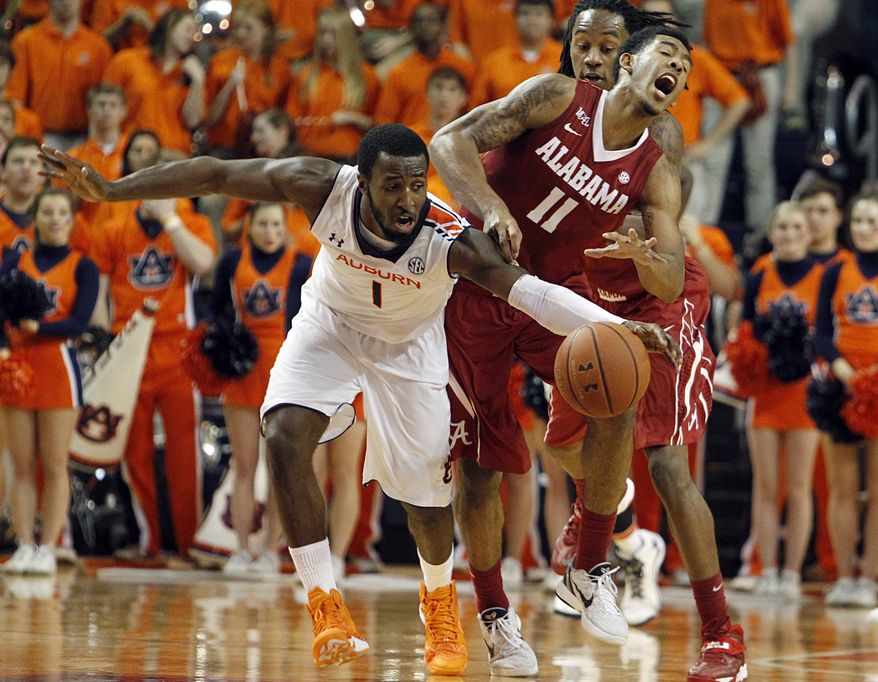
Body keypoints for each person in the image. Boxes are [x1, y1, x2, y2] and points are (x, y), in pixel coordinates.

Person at [41, 122, 677, 674]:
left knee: (426, 502)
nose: (408, 199)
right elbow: (215, 172)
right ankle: (325, 605)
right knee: (282, 436)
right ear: (362, 182)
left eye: (416, 185)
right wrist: (111, 190)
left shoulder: (450, 239)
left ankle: (439, 603)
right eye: (392, 185)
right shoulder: (320, 186)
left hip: (410, 348)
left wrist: (616, 327)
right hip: (330, 327)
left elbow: (530, 292)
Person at [429, 4, 746, 680]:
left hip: (579, 294)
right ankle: (500, 611)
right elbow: (449, 141)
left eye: (607, 46)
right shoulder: (552, 96)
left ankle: (602, 567)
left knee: (632, 416)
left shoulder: (659, 147)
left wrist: (647, 255)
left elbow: (666, 267)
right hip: (491, 283)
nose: (593, 58)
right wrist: (492, 206)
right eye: (585, 45)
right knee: (489, 462)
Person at [84, 137, 217, 558]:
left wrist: (171, 220)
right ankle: (148, 542)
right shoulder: (113, 228)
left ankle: (190, 542)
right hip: (128, 349)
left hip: (178, 350)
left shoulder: (192, 222)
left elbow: (203, 264)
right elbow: (99, 292)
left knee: (184, 451)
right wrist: (106, 343)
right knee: (133, 449)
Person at [0, 188, 99, 574]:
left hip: (59, 367)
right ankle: (25, 545)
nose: (55, 219)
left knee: (55, 463)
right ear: (35, 219)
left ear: (72, 221)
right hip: (19, 366)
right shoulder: (15, 260)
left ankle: (49, 547)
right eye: (47, 212)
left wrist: (37, 327)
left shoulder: (83, 266)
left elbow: (79, 322)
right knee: (21, 464)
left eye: (62, 213)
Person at [213, 202, 312, 576]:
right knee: (244, 465)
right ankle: (240, 549)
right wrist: (222, 343)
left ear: (285, 228)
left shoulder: (301, 264)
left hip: (286, 371)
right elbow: (214, 312)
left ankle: (271, 549)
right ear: (249, 228)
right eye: (263, 224)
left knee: (278, 467)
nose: (270, 231)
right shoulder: (230, 262)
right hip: (242, 369)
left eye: (276, 225)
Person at [740, 201, 821, 598]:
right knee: (767, 486)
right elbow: (743, 329)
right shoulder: (759, 274)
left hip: (804, 392)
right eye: (783, 227)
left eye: (796, 227)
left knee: (800, 486)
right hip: (766, 391)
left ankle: (791, 574)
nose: (789, 234)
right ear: (772, 233)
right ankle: (767, 570)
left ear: (808, 233)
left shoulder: (824, 275)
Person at [814, 190, 878, 609]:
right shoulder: (836, 270)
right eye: (858, 221)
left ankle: (869, 577)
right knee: (842, 489)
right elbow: (821, 332)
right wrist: (846, 373)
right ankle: (843, 576)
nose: (863, 228)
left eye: (872, 221)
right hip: (843, 385)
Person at [5, 0, 112, 150]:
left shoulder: (98, 47)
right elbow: (16, 100)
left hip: (84, 137)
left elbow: (105, 97)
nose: (65, 2)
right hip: (41, 135)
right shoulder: (26, 41)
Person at [102, 9, 206, 155]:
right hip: (134, 151)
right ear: (169, 26)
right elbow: (103, 105)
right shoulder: (127, 60)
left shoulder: (191, 72)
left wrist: (198, 82)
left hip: (174, 154)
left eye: (194, 32)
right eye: (188, 29)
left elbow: (192, 121)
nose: (191, 36)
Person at [285, 6, 379, 163]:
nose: (326, 40)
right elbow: (292, 119)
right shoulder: (305, 76)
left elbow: (379, 124)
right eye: (322, 33)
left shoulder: (367, 76)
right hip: (309, 156)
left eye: (333, 34)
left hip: (349, 159)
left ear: (345, 36)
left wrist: (353, 118)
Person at [203, 0, 291, 158]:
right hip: (223, 147)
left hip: (262, 150)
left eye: (248, 28)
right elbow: (208, 118)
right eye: (237, 27)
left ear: (266, 29)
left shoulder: (279, 67)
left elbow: (282, 116)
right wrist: (230, 85)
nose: (241, 34)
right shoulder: (220, 62)